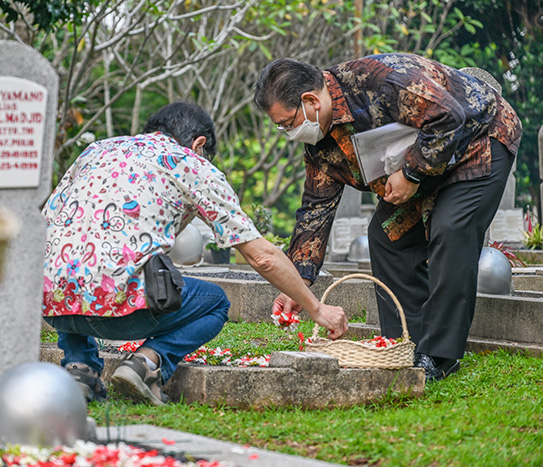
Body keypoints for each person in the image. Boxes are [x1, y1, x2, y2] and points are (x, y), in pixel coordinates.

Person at [42, 102, 348, 405]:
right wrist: (317, 309)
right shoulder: (186, 161)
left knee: (70, 260)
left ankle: (79, 369)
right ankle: (147, 363)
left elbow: (48, 223)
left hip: (50, 303)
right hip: (119, 311)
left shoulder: (96, 151)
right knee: (215, 303)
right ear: (198, 144)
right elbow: (262, 256)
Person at [254, 54, 522, 382]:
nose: (286, 132)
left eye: (287, 123)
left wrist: (411, 174)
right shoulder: (320, 148)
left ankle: (440, 355)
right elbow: (315, 211)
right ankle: (406, 344)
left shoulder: (384, 80)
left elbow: (447, 118)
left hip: (478, 142)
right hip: (426, 167)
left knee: (450, 228)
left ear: (310, 100)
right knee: (385, 235)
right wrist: (297, 284)